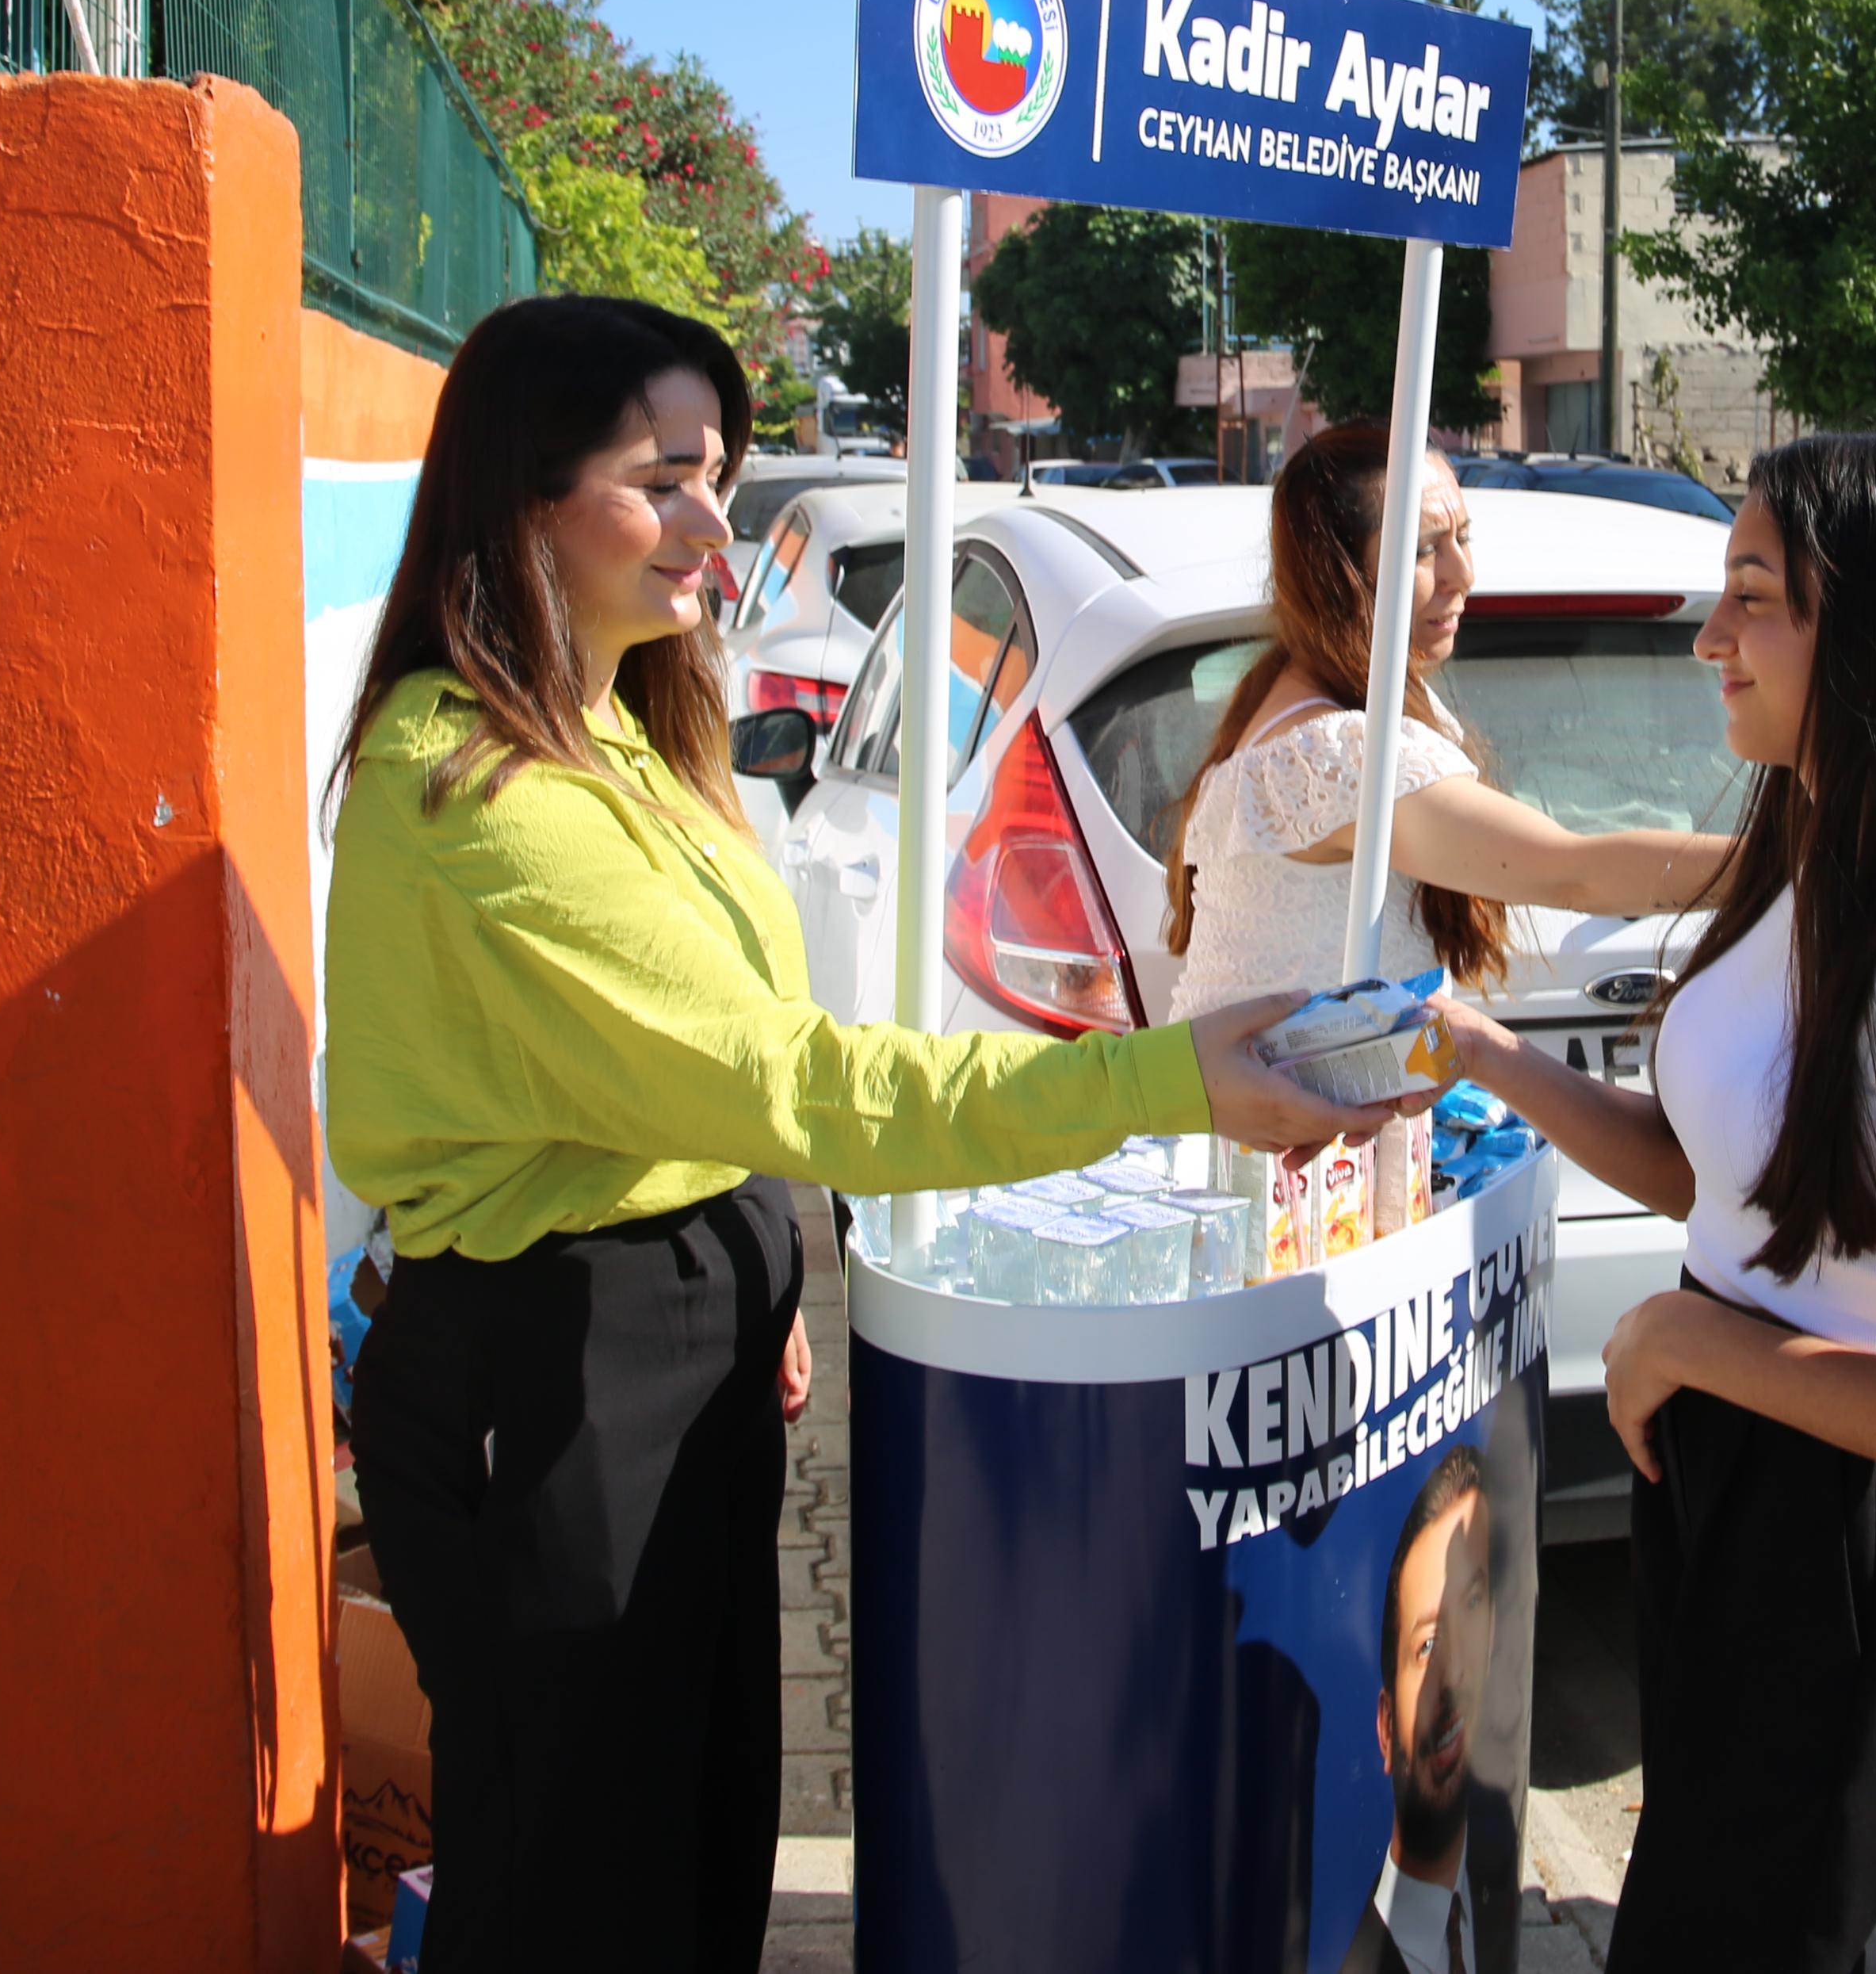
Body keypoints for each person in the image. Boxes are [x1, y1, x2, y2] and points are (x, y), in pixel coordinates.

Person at [322, 295, 1374, 1970]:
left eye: (719, 475)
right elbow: (808, 1080)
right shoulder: (472, 790)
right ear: (522, 491)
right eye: (661, 476)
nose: (705, 522)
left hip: (666, 1326)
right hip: (549, 1365)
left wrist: (734, 1263)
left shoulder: (626, 721)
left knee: (699, 1834)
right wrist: (1170, 1074)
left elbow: (680, 1078)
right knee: (577, 1878)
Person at [1435, 430, 1876, 1974]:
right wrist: (1485, 1056)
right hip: (1742, 1468)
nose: (1707, 636)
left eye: (1753, 594)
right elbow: (1723, 1171)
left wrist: (1695, 1343)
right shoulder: (1821, 836)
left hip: (1844, 1520)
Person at [1165, 420, 1735, 1011]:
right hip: (1274, 1104)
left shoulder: (1315, 703)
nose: (1463, 574)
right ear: (1334, 575)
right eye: (1423, 549)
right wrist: (1797, 863)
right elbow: (1574, 874)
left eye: (1464, 537)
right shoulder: (1332, 754)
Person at [1339, 1445, 1519, 1974]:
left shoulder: (1494, 1887)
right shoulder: (1358, 1959)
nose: (1457, 1670)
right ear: (1387, 1727)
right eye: (1427, 1644)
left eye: (1472, 1604)